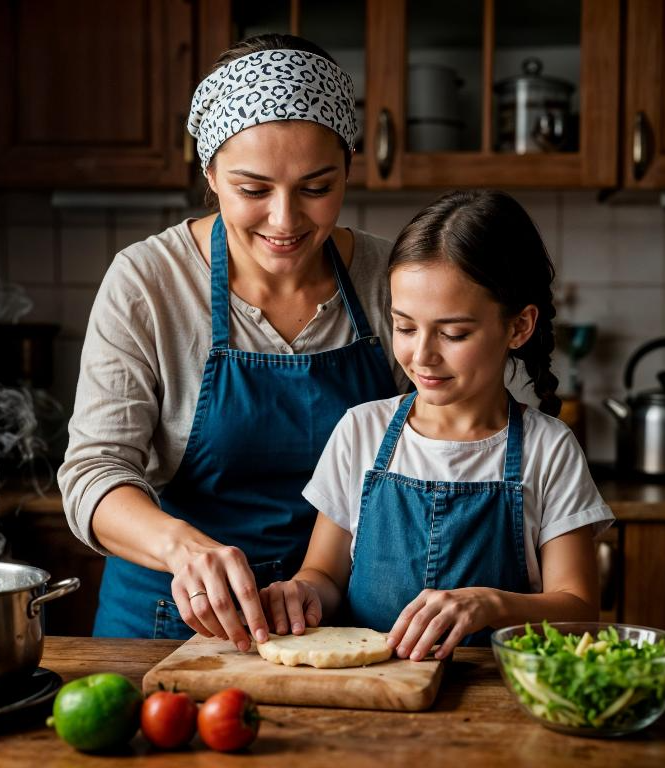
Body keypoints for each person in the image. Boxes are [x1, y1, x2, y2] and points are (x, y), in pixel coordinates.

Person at [58, 35, 410, 650]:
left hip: (344, 625)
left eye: (316, 187)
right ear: (211, 173)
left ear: (350, 169)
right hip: (167, 624)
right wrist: (183, 547)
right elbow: (92, 472)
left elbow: (454, 433)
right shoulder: (150, 281)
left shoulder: (393, 278)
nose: (285, 219)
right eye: (253, 190)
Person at [260, 190, 614, 661]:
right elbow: (323, 577)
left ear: (518, 326)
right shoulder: (360, 432)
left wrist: (490, 603)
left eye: (453, 334)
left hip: (495, 698)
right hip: (374, 695)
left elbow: (578, 614)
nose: (422, 355)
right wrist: (301, 594)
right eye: (405, 327)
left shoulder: (549, 450)